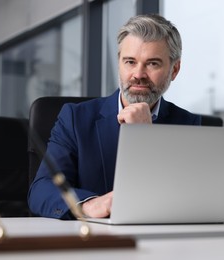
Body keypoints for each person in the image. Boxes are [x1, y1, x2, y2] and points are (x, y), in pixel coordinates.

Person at [28, 14, 202, 220]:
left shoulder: (188, 125)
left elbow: (190, 200)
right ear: (119, 63)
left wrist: (146, 138)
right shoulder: (75, 118)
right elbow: (41, 190)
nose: (138, 74)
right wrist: (89, 205)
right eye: (130, 61)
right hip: (92, 242)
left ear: (174, 70)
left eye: (153, 64)